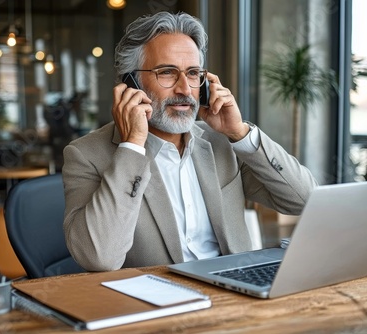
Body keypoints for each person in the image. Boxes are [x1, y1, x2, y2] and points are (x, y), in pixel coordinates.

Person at [62, 11, 317, 272]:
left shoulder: (221, 143)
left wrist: (240, 133)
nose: (184, 89)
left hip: (240, 291)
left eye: (193, 73)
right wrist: (132, 145)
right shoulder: (86, 155)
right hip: (159, 304)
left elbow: (304, 199)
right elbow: (99, 258)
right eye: (167, 73)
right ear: (132, 83)